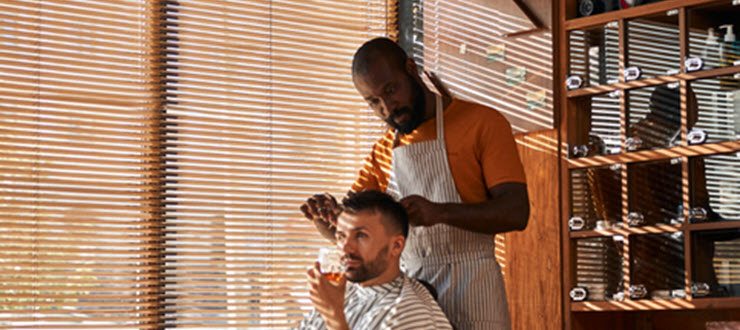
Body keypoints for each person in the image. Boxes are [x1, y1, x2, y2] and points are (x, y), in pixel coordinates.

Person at [300, 37, 529, 329]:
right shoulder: (381, 152)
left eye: (390, 90)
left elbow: (516, 211)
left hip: (475, 288)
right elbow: (351, 235)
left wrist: (440, 213)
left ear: (411, 68)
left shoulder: (482, 123)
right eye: (373, 101)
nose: (386, 108)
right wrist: (326, 217)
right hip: (410, 297)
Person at [296, 190, 452, 330]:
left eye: (361, 235)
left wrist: (334, 318)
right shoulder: (341, 294)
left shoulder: (409, 315)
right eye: (341, 236)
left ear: (396, 246)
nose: (345, 248)